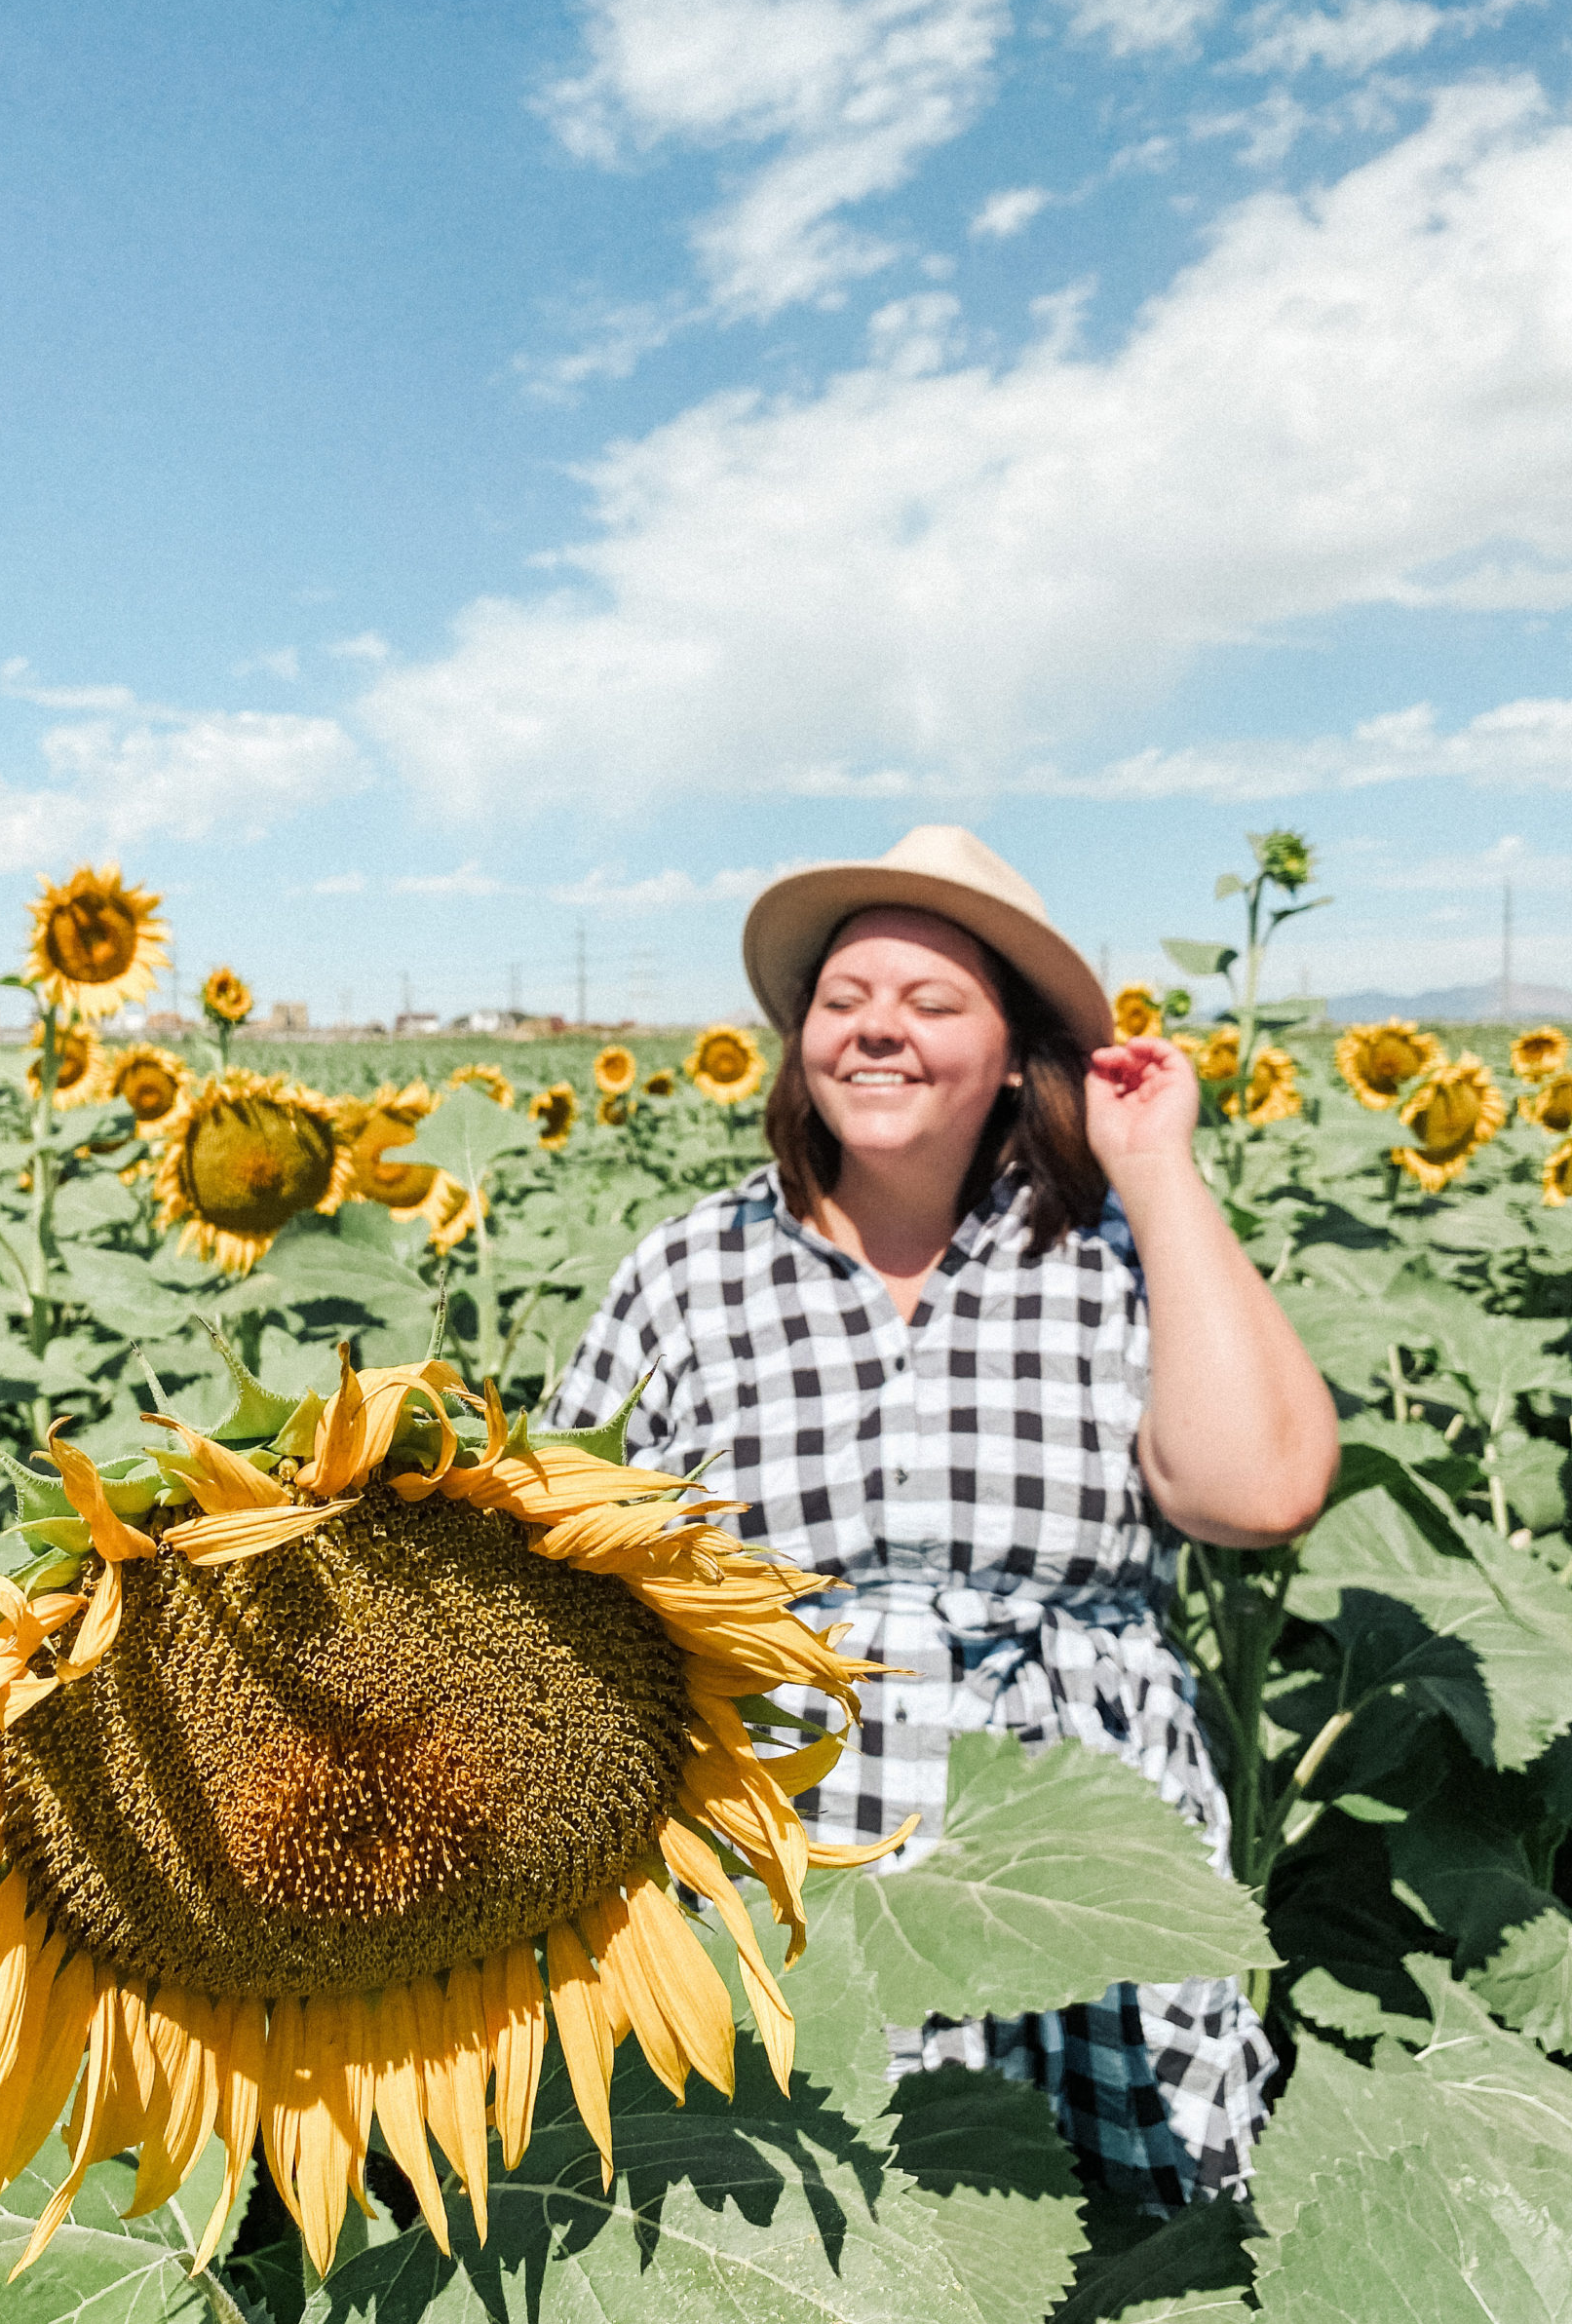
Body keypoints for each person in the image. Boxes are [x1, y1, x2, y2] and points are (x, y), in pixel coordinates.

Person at [546, 823, 1339, 2209]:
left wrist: (1156, 1172)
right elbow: (557, 1549)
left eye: (929, 1003)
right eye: (841, 1004)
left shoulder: (1103, 1255)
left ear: (1013, 1051)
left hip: (1076, 1845)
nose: (875, 1033)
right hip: (793, 1861)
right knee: (825, 2256)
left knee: (1137, 2272)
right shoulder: (695, 1268)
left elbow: (1258, 1491)